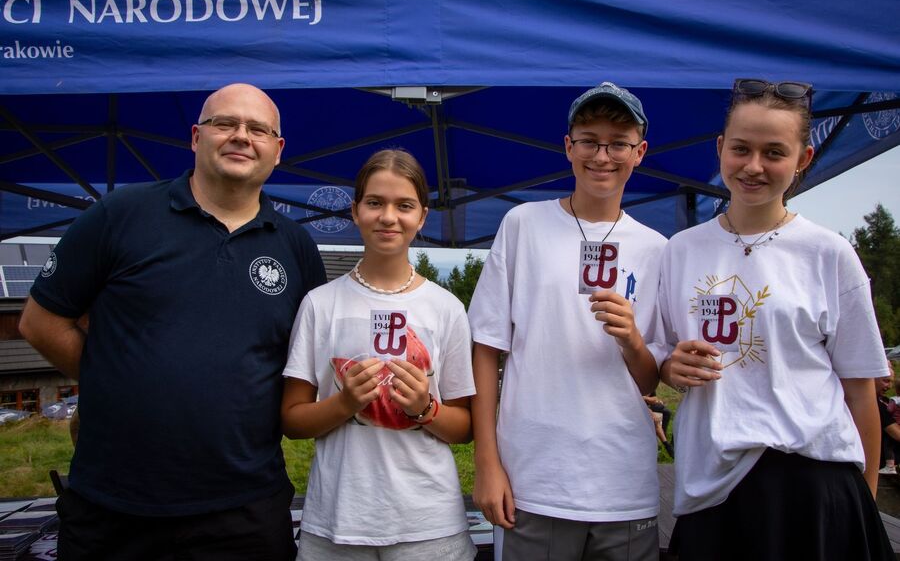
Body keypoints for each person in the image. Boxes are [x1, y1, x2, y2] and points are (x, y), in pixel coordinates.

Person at [19, 83, 326, 561]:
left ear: (277, 150)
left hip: (244, 508)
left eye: (257, 129)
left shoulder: (297, 248)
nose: (241, 136)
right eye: (225, 123)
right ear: (195, 136)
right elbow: (39, 323)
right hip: (113, 507)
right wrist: (115, 379)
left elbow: (301, 365)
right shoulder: (120, 214)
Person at [658, 78, 893, 560]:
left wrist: (863, 503)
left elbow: (859, 392)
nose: (754, 166)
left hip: (814, 485)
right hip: (712, 487)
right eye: (741, 149)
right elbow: (658, 360)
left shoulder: (829, 253)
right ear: (721, 148)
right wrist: (669, 368)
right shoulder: (680, 251)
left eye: (774, 152)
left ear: (803, 159)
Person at [468, 82, 667, 560]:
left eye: (618, 143)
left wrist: (632, 341)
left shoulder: (660, 249)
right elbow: (485, 346)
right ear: (568, 146)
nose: (603, 155)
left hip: (623, 483)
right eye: (589, 140)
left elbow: (654, 376)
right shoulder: (523, 224)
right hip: (535, 479)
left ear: (639, 152)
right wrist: (487, 461)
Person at [281, 149, 477, 560]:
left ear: (422, 217)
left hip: (428, 524)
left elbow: (463, 426)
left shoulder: (446, 308)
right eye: (375, 203)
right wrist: (346, 402)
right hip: (337, 522)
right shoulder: (320, 304)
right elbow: (293, 420)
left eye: (404, 205)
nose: (389, 217)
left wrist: (425, 408)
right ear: (355, 211)